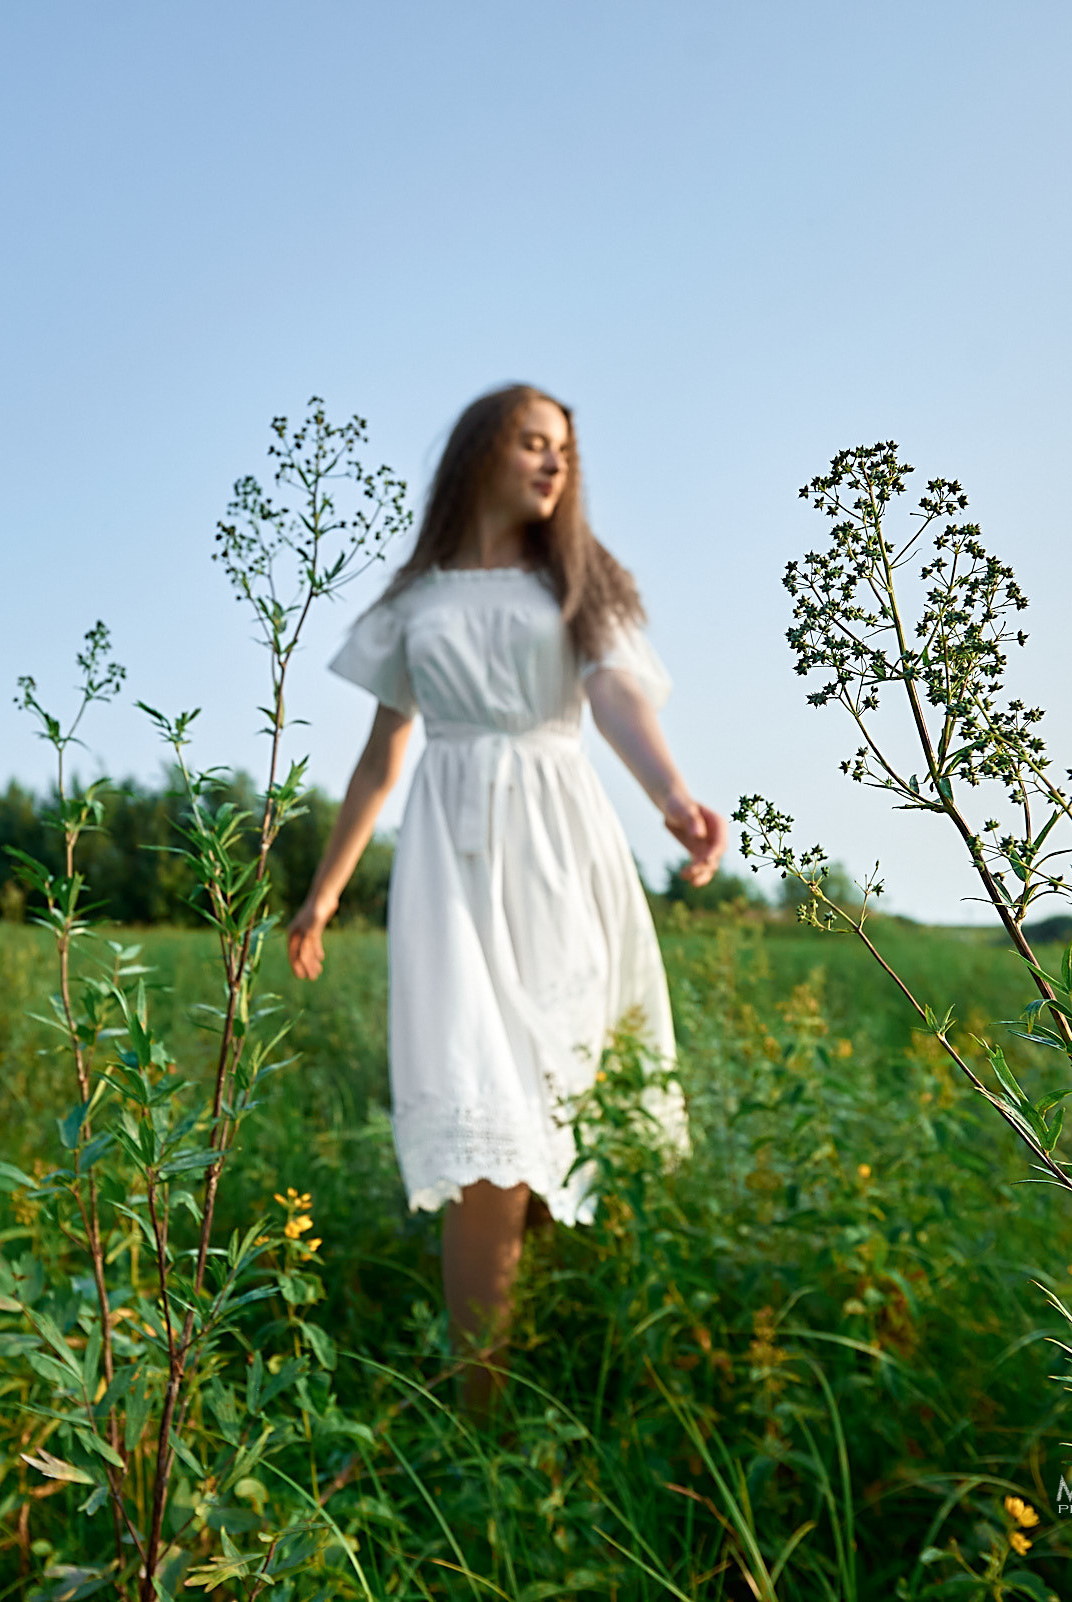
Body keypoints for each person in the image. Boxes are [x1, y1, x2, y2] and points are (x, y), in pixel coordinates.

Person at [285, 383, 726, 1412]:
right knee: (481, 1115)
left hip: (560, 853)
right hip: (448, 862)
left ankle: (566, 1356)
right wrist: (322, 895)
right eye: (533, 443)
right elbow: (378, 760)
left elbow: (616, 691)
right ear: (482, 452)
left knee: (559, 1103)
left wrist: (672, 793)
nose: (552, 464)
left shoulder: (581, 577)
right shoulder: (416, 600)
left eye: (564, 451)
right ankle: (474, 1412)